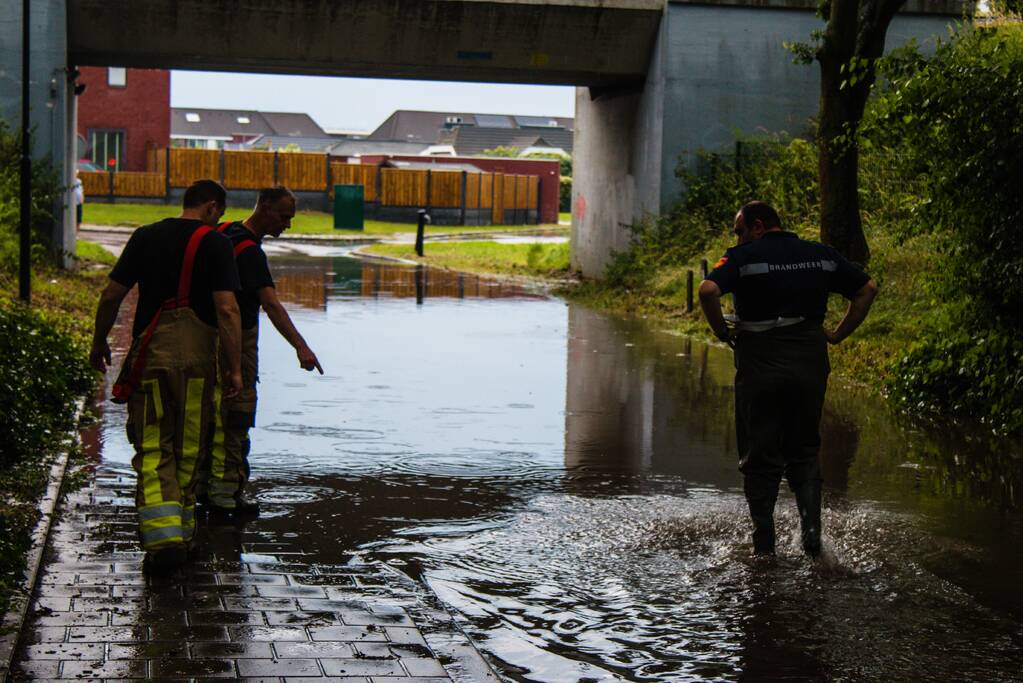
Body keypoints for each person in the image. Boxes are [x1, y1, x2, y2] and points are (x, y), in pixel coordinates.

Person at [698, 201, 878, 558]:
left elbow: (707, 291)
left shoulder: (743, 257)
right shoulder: (821, 255)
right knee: (805, 447)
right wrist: (838, 334)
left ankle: (764, 546)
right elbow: (867, 288)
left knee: (759, 451)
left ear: (759, 226)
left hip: (761, 361)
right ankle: (812, 536)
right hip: (809, 359)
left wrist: (720, 331)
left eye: (740, 230)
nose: (738, 237)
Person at [90, 179, 242, 576]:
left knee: (156, 444)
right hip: (197, 362)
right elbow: (227, 310)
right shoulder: (216, 243)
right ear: (211, 208)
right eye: (219, 214)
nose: (218, 221)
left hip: (153, 357)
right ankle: (183, 536)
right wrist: (235, 368)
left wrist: (98, 341)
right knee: (191, 448)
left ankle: (162, 542)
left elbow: (111, 296)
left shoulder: (145, 237)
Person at [202, 186, 323, 516]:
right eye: (284, 216)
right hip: (237, 342)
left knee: (208, 418)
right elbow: (270, 304)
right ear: (265, 208)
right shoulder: (250, 252)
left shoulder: (224, 232)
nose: (288, 224)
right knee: (236, 418)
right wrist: (302, 347)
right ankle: (227, 499)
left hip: (205, 337)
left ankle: (204, 490)